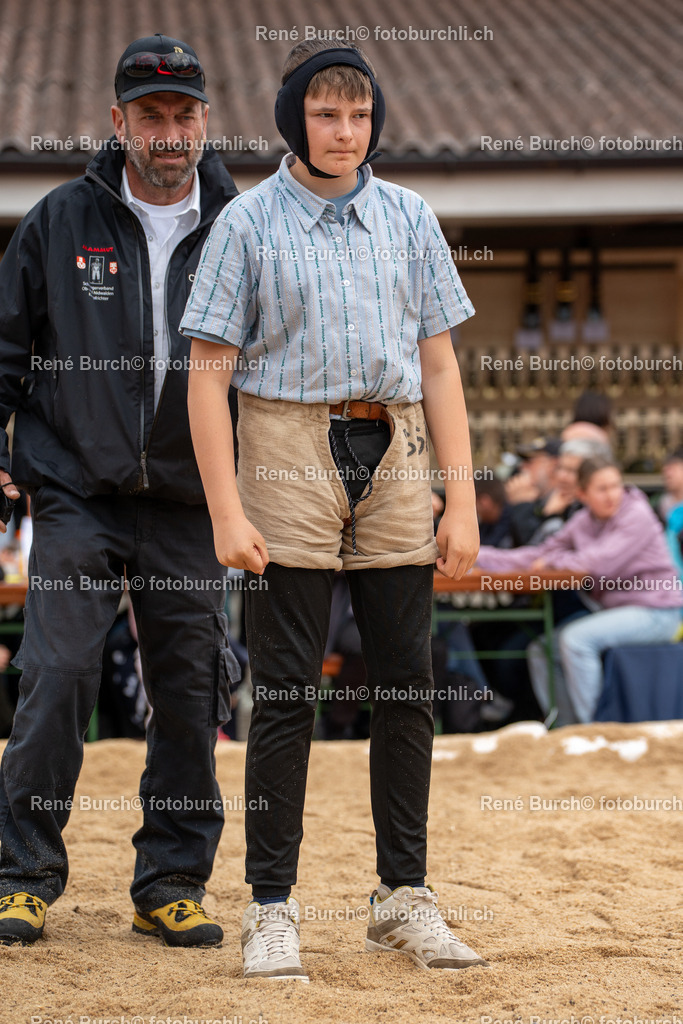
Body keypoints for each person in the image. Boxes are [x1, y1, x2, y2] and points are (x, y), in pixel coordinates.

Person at [182, 40, 487, 980]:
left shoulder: (409, 216)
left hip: (395, 445)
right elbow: (206, 376)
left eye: (357, 114)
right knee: (284, 693)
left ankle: (402, 898)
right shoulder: (246, 223)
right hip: (282, 448)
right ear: (292, 122)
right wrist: (226, 511)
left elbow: (438, 365)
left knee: (407, 687)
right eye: (324, 113)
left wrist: (460, 498)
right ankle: (270, 907)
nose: (343, 130)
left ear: (374, 123)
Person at [0, 35, 241, 947]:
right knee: (56, 674)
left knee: (188, 690)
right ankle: (20, 873)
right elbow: (4, 350)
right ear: (119, 122)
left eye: (184, 115)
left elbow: (273, 364)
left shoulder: (243, 224)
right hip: (75, 490)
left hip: (191, 498)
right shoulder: (59, 221)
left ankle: (172, 880)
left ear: (204, 120)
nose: (169, 132)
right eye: (151, 116)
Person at [477, 457, 683, 725]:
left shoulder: (637, 514)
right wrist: (478, 555)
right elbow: (538, 554)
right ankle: (567, 730)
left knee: (576, 640)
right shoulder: (584, 521)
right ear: (583, 494)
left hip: (659, 612)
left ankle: (595, 729)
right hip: (618, 612)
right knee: (542, 649)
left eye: (615, 486)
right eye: (602, 488)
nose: (612, 495)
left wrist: (553, 562)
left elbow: (599, 564)